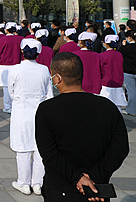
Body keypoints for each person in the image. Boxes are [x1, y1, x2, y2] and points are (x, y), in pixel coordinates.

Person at [35, 53, 129, 201]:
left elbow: (49, 153)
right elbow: (120, 148)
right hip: (96, 189)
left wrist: (77, 178)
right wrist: (95, 177)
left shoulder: (47, 109)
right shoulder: (107, 107)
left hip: (61, 189)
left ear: (57, 78)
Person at [8, 38, 53, 196]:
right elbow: (49, 94)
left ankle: (24, 183)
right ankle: (37, 183)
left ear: (22, 51)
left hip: (21, 113)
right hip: (40, 113)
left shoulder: (15, 69)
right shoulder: (44, 70)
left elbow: (11, 92)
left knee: (23, 150)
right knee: (39, 149)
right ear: (38, 53)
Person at [0, 22, 23, 114]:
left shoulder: (3, 39)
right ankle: (15, 105)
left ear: (6, 29)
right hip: (16, 64)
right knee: (16, 86)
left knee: (6, 87)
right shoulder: (19, 39)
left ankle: (7, 106)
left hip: (5, 65)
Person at [100, 35, 127, 112]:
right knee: (118, 107)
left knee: (105, 107)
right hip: (118, 83)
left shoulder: (102, 55)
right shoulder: (119, 54)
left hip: (106, 84)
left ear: (105, 44)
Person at [119, 30, 136, 116]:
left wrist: (123, 45)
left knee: (131, 92)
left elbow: (119, 53)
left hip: (129, 71)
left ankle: (131, 110)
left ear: (129, 38)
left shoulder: (127, 48)